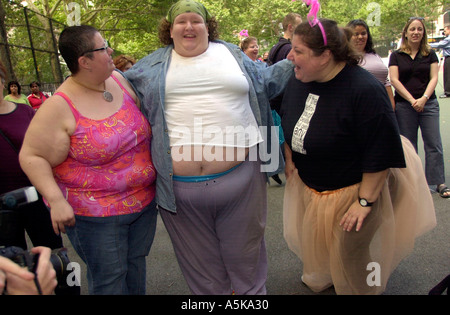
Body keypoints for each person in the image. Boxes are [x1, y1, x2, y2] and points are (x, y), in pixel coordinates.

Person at [125, 0, 293, 295]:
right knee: (202, 274)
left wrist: (297, 57)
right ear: (170, 28)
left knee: (247, 262)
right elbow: (121, 94)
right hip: (179, 191)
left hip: (241, 179)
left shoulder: (232, 54)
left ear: (207, 26)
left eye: (196, 21)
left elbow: (266, 82)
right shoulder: (149, 66)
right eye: (181, 21)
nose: (189, 26)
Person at [281, 18, 436, 295]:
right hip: (316, 185)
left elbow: (379, 152)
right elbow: (290, 122)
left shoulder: (364, 90)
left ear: (326, 55)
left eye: (298, 51)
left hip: (358, 188)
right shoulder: (298, 80)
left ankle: (367, 289)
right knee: (327, 247)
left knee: (352, 253)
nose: (289, 56)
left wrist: (364, 202)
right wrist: (290, 159)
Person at [19, 25, 158, 295]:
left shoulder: (118, 79)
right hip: (96, 216)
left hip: (142, 206)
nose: (111, 51)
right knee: (110, 280)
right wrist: (56, 200)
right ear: (84, 61)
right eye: (104, 48)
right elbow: (30, 155)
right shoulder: (58, 106)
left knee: (135, 267)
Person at [0, 60, 63, 251]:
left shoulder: (25, 112)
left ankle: (66, 282)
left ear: (3, 81)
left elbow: (48, 147)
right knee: (13, 266)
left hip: (35, 194)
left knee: (55, 256)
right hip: (2, 206)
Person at [389, 17, 450, 198]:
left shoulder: (429, 54)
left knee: (433, 144)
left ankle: (438, 182)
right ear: (406, 33)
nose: (416, 32)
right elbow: (394, 80)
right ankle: (413, 183)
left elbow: (433, 78)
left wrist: (423, 99)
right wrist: (411, 100)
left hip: (428, 104)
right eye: (412, 29)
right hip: (405, 106)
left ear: (423, 33)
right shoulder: (396, 55)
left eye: (419, 29)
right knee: (409, 146)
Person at [347, 19, 395, 108]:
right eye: (356, 34)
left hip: (382, 106)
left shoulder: (374, 55)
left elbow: (386, 82)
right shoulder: (344, 58)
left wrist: (391, 107)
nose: (360, 37)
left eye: (363, 33)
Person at [430, 24, 450, 98]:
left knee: (448, 75)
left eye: (445, 30)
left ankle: (448, 92)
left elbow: (439, 45)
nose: (444, 32)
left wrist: (427, 45)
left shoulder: (448, 39)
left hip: (449, 58)